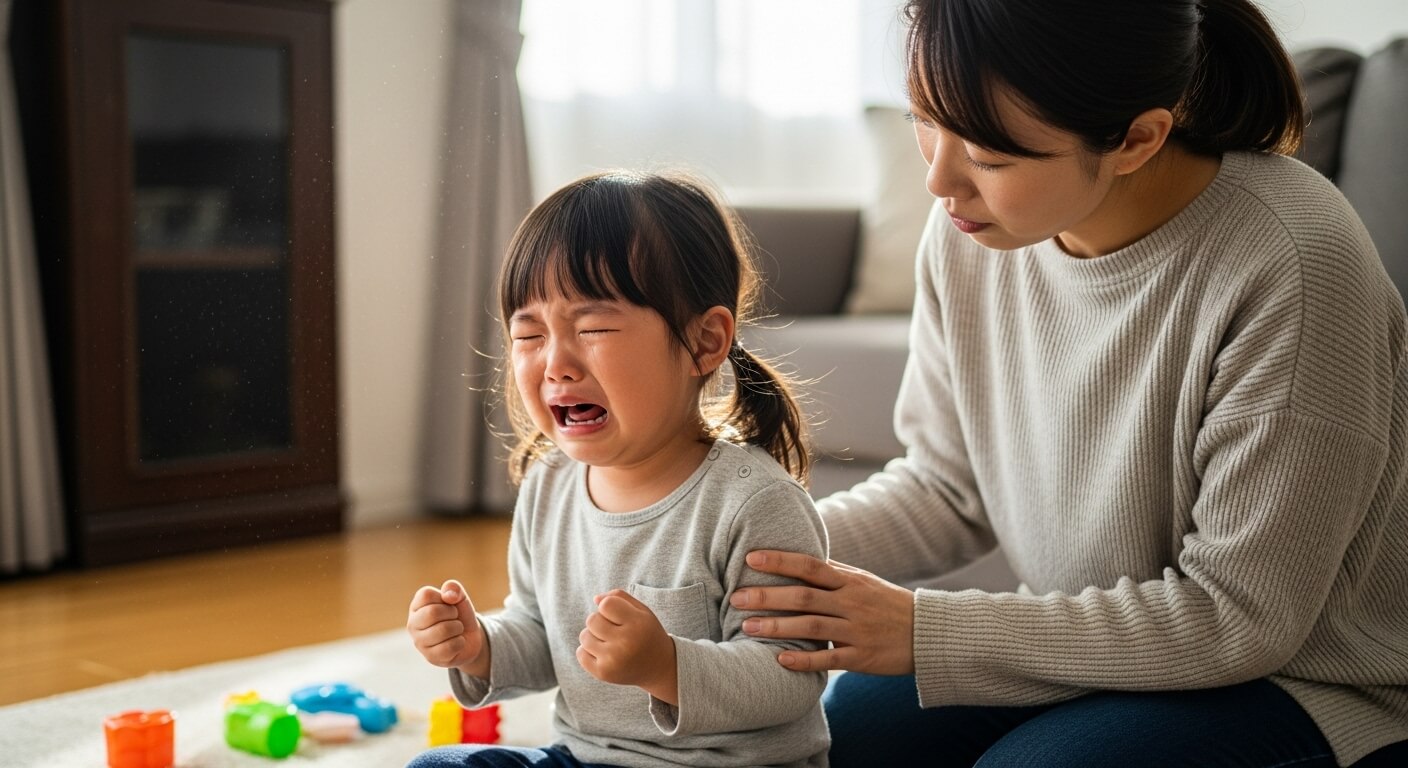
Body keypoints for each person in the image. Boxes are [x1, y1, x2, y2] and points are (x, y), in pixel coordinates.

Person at [730, 1, 1408, 766]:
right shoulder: (971, 233)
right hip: (1101, 644)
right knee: (839, 730)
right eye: (928, 120)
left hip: (1307, 683)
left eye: (991, 157)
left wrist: (925, 630)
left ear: (1137, 139)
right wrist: (747, 550)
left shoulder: (1295, 264)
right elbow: (949, 490)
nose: (939, 180)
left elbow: (1239, 618)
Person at [405, 170, 830, 768]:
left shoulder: (755, 502)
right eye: (528, 335)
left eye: (593, 328)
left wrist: (665, 666)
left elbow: (791, 675)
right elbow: (540, 632)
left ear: (705, 342)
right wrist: (479, 646)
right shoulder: (549, 486)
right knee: (436, 767)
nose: (555, 364)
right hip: (586, 759)